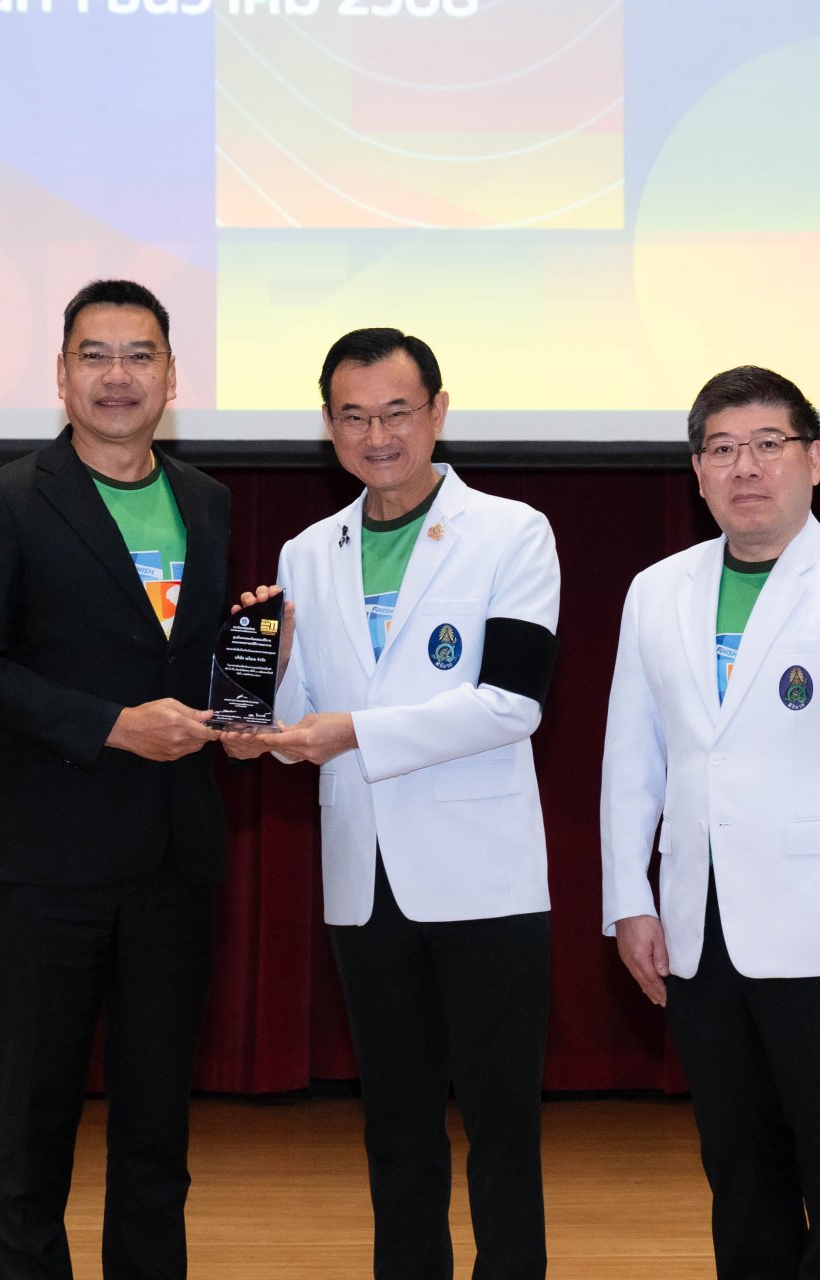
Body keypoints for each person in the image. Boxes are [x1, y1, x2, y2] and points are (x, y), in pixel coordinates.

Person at [222, 328, 560, 1280]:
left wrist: (356, 733)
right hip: (364, 883)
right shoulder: (307, 550)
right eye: (355, 417)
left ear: (438, 412)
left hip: (485, 878)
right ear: (329, 427)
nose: (378, 437)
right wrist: (260, 697)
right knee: (397, 1125)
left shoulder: (513, 531)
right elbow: (296, 725)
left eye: (397, 413)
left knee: (500, 1123)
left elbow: (513, 702)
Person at [600, 366, 820, 1279]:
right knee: (738, 1169)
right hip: (699, 929)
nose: (745, 467)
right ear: (697, 472)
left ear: (814, 459)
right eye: (722, 450)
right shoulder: (656, 590)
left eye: (767, 445)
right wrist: (629, 900)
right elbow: (632, 758)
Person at [0, 280, 232, 1279]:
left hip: (174, 859)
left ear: (171, 377)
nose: (118, 376)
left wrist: (250, 681)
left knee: (157, 1135)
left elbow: (186, 661)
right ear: (61, 376)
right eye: (95, 355)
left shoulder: (207, 501)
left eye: (140, 355)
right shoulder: (8, 499)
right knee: (35, 1132)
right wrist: (110, 726)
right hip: (47, 860)